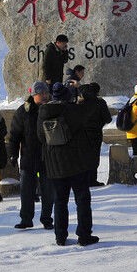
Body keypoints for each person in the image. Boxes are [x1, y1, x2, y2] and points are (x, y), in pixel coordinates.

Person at [37, 83, 98, 246]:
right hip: (77, 163)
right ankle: (84, 235)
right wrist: (84, 92)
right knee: (82, 200)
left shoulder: (43, 113)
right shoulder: (73, 110)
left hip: (55, 166)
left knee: (60, 201)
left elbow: (41, 137)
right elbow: (92, 108)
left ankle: (60, 236)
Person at [9, 81, 53, 230]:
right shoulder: (23, 111)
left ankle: (47, 218)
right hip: (29, 157)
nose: (46, 96)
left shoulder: (52, 108)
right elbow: (14, 135)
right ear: (34, 95)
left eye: (47, 93)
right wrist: (13, 154)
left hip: (48, 157)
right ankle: (26, 219)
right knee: (26, 191)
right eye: (43, 93)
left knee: (48, 191)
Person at [79, 83, 112, 187]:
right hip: (96, 133)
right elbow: (108, 118)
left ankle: (83, 179)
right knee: (94, 156)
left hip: (82, 134)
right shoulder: (100, 102)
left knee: (83, 156)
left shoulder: (80, 103)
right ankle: (92, 179)